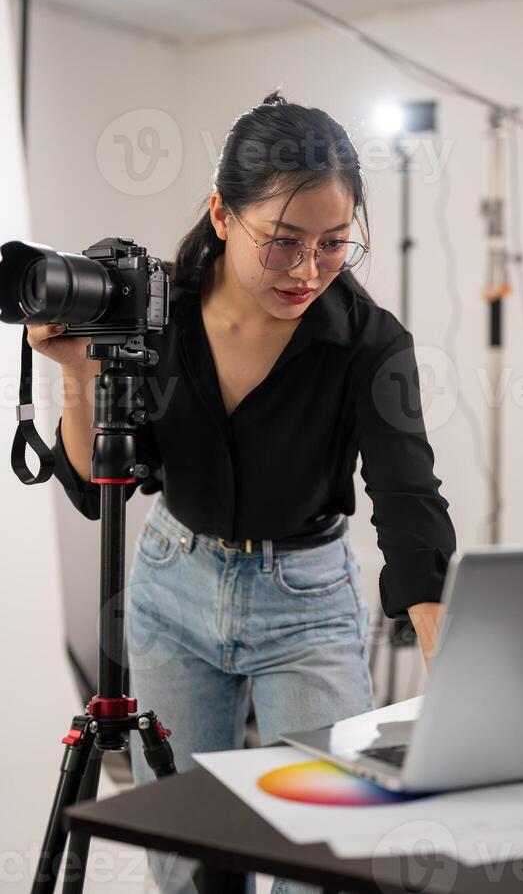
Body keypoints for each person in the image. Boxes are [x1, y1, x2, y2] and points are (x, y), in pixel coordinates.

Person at [28, 90, 457, 894]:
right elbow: (95, 485)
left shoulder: (370, 341)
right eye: (284, 242)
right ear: (223, 216)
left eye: (335, 244)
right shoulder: (158, 316)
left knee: (322, 854)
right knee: (190, 854)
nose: (307, 270)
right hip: (171, 586)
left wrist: (449, 659)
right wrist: (79, 378)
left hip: (308, 602)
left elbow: (407, 496)